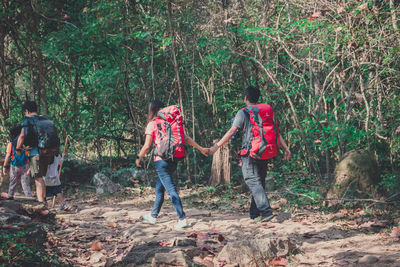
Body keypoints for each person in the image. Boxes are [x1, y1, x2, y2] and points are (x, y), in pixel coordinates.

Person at [208, 86, 291, 222]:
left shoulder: (243, 113)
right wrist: (286, 148)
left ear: (245, 98)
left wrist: (216, 146)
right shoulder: (266, 112)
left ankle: (265, 211)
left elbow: (231, 132)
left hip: (250, 152)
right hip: (264, 151)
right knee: (259, 181)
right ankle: (255, 214)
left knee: (252, 180)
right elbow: (276, 131)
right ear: (258, 98)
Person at [136, 100, 208, 229]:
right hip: (174, 158)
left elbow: (147, 146)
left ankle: (182, 219)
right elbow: (186, 138)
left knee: (171, 190)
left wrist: (138, 157)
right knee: (160, 187)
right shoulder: (172, 122)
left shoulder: (153, 123)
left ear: (152, 110)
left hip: (161, 160)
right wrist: (201, 148)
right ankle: (153, 216)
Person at [16, 101, 53, 207]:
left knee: (38, 178)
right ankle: (44, 201)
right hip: (48, 152)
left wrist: (18, 148)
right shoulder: (45, 119)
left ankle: (41, 204)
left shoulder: (28, 120)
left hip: (36, 153)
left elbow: (22, 136)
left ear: (26, 111)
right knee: (41, 177)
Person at [2, 124, 32, 199]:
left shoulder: (11, 143)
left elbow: (8, 156)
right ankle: (29, 198)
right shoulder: (25, 142)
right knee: (26, 184)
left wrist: (5, 167)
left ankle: (10, 197)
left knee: (12, 183)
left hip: (14, 166)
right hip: (25, 165)